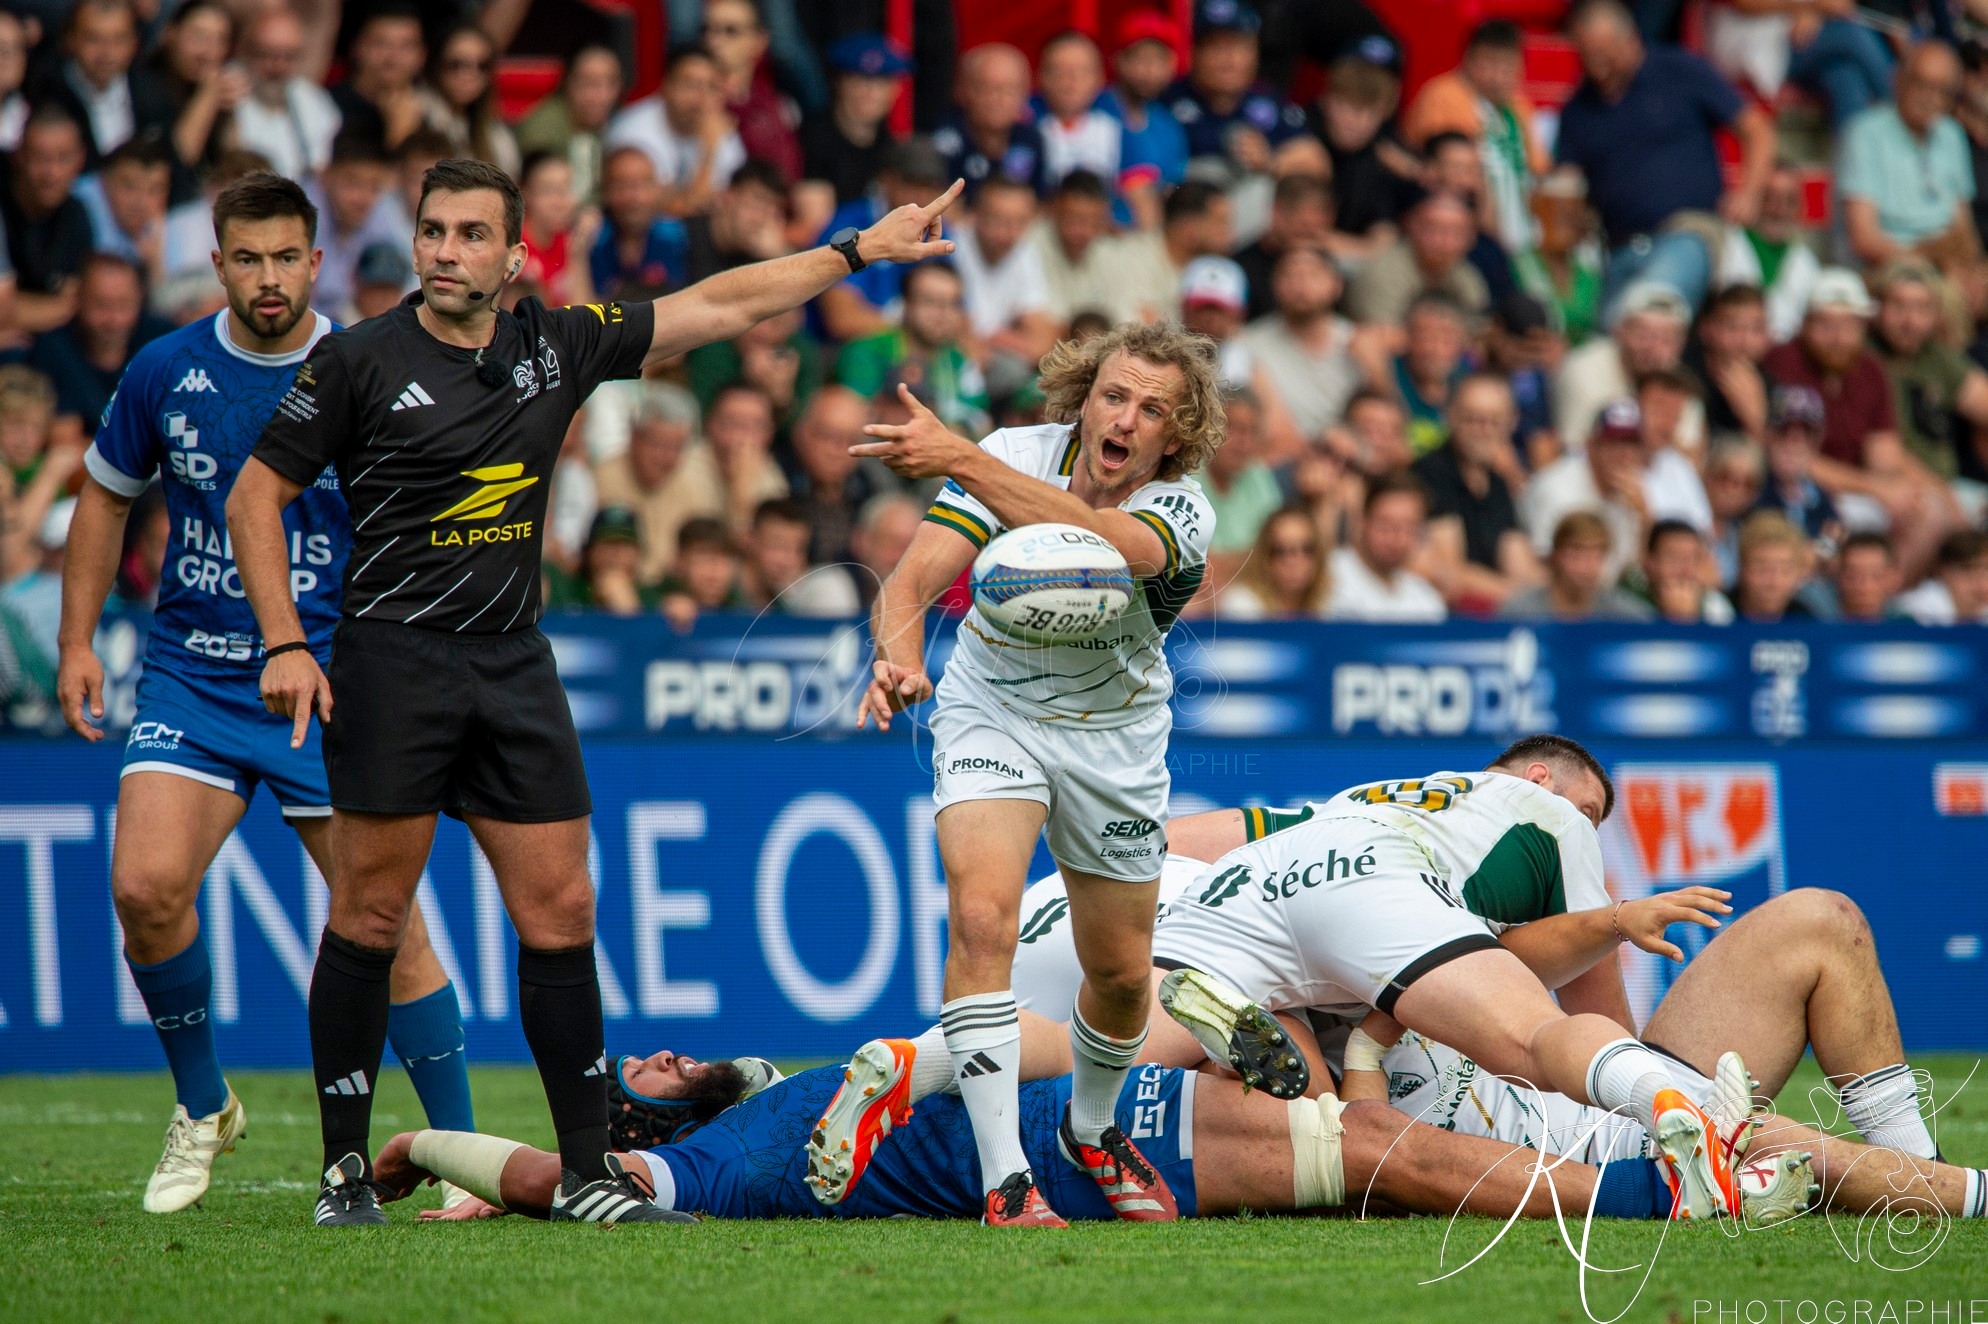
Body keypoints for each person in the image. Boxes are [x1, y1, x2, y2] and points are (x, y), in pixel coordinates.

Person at [224, 157, 961, 1227]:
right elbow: (256, 494)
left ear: (514, 255)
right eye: (434, 230)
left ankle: (584, 1173)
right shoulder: (356, 359)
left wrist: (852, 251)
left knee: (562, 909)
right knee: (372, 911)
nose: (445, 250)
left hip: (513, 665)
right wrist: (284, 641)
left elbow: (713, 304)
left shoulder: (550, 345)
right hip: (393, 663)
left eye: (472, 234)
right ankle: (342, 1170)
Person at [53, 173, 473, 1217]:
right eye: (248, 258)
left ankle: (463, 1160)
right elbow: (106, 501)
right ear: (218, 259)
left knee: (388, 927)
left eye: (288, 257)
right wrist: (75, 642)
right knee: (145, 889)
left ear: (317, 261)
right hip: (194, 674)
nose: (270, 278)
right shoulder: (165, 370)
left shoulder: (364, 366)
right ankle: (204, 1107)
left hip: (331, 687)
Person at [832, 321, 1221, 1227]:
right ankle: (1005, 1178)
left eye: (1152, 408)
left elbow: (1089, 534)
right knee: (979, 918)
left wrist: (961, 456)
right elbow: (907, 585)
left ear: (1175, 434)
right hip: (989, 711)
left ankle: (1092, 1126)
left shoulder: (1182, 509)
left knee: (1123, 976)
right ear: (1085, 399)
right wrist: (899, 661)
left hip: (1113, 740)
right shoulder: (1016, 454)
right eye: (1114, 395)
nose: (1125, 418)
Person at [1554, 0, 1775, 315]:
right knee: (1603, 337)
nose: (1597, 67)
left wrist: (1750, 194)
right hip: (1617, 251)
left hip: (1690, 232)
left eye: (1606, 55)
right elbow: (1567, 182)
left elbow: (1757, 130)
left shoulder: (1679, 69)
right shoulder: (1578, 109)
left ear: (1631, 40)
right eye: (1587, 57)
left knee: (1645, 308)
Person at [1764, 267, 1962, 580]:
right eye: (1825, 324)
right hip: (1801, 492)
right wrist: (1876, 488)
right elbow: (1791, 458)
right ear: (1805, 324)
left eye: (1848, 325)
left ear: (1863, 327)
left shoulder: (1870, 368)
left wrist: (1935, 494)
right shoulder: (1785, 361)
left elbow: (1883, 454)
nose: (1837, 337)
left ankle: (1882, 600)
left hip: (1854, 491)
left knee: (1928, 510)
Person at [1403, 20, 1550, 253]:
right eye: (1488, 64)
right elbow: (1444, 171)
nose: (1497, 77)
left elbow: (1538, 169)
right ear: (1468, 59)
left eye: (1506, 67)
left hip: (1517, 233)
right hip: (1460, 230)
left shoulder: (1520, 107)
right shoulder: (1443, 95)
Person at [1838, 42, 1978, 275]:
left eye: (1943, 90)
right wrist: (1927, 262)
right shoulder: (1866, 132)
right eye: (1923, 84)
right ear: (1899, 79)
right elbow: (1863, 239)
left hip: (1947, 262)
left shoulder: (1952, 134)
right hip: (1891, 266)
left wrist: (1973, 270)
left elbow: (1963, 226)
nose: (1932, 98)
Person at [1412, 372, 1543, 611]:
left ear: (1512, 422)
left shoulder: (1497, 483)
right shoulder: (1429, 474)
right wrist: (1526, 599)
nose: (1483, 430)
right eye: (1472, 419)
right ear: (1450, 416)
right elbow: (1450, 573)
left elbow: (1518, 559)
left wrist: (1552, 597)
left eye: (1494, 421)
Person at [833, 260, 989, 439]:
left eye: (953, 304)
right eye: (930, 302)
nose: (943, 314)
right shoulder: (867, 351)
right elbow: (851, 419)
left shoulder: (959, 361)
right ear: (906, 304)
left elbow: (979, 420)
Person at [1870, 256, 1988, 487]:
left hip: (1952, 484)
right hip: (1891, 486)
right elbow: (1884, 453)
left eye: (1921, 308)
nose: (1910, 320)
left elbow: (1982, 401)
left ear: (1936, 315)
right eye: (1899, 306)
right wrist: (1943, 498)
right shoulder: (1865, 358)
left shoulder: (1935, 355)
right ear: (1877, 307)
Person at [28, 254, 171, 441]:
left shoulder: (165, 341)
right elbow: (65, 441)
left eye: (124, 305)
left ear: (140, 299)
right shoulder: (54, 348)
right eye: (101, 305)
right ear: (77, 299)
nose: (114, 319)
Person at [1163, 0, 1307, 174]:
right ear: (1193, 52)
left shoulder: (1268, 99)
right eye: (1215, 46)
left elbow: (1316, 160)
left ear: (1256, 52)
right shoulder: (1166, 100)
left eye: (1238, 46)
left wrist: (1270, 161)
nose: (1228, 59)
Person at [1237, 247, 1362, 445]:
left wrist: (1377, 369)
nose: (1300, 283)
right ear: (1274, 285)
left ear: (1337, 285)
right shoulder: (1247, 344)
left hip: (1349, 456)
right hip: (1281, 458)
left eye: (1313, 275)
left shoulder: (1358, 341)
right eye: (1289, 275)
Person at [605, 43, 746, 216]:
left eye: (711, 87)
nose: (700, 99)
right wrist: (709, 154)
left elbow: (739, 202)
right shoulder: (633, 133)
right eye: (691, 85)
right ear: (666, 86)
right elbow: (673, 213)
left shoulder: (718, 128)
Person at [35, 0, 173, 167]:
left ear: (134, 43)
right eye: (94, 39)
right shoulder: (45, 92)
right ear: (70, 39)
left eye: (119, 39)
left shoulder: (153, 91)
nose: (107, 52)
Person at [3, 108, 95, 337]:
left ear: (80, 159)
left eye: (63, 158)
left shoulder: (77, 214)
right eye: (40, 158)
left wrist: (16, 317)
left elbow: (75, 303)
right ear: (19, 156)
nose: (51, 173)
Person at [950, 175, 1057, 366]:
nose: (1007, 233)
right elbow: (952, 334)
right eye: (998, 220)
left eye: (1019, 222)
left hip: (995, 359)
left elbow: (1043, 343)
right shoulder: (950, 247)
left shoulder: (1025, 252)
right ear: (974, 215)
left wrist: (999, 340)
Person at [1343, 189, 1489, 328]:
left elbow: (1477, 335)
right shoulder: (1383, 272)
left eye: (1456, 232)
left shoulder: (1467, 276)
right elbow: (1377, 336)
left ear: (1472, 238)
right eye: (1434, 229)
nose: (1444, 241)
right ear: (1411, 226)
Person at [1097, 12, 1189, 229]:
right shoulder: (1097, 108)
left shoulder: (1169, 126)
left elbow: (1170, 190)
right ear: (1119, 60)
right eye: (1140, 58)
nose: (1149, 71)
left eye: (1158, 60)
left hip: (1147, 239)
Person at [231, 6, 341, 182]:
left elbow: (324, 171)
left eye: (288, 57)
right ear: (246, 51)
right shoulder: (227, 91)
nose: (277, 67)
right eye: (267, 55)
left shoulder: (312, 101)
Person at [1715, 164, 1820, 343]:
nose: (1778, 210)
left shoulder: (1805, 260)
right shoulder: (1725, 242)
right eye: (1769, 197)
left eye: (1789, 200)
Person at [700, 0, 801, 185]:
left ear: (759, 41)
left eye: (730, 30)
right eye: (706, 30)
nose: (713, 40)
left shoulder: (780, 104)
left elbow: (789, 177)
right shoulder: (689, 103)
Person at [801, 35, 910, 205]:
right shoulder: (808, 140)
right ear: (839, 82)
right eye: (858, 79)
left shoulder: (892, 149)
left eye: (880, 82)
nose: (869, 92)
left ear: (895, 90)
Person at [1325, 471, 1446, 622]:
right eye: (1386, 526)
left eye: (1409, 528)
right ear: (1362, 522)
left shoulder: (1425, 598)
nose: (1397, 539)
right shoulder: (1326, 576)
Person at [515, 45, 625, 207]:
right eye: (590, 84)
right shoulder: (542, 130)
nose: (602, 95)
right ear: (568, 82)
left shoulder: (611, 124)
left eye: (611, 83)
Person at [933, 43, 1046, 199]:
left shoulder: (1030, 139)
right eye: (986, 88)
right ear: (964, 90)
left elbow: (1039, 202)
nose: (997, 100)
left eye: (1008, 90)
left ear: (1025, 94)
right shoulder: (944, 140)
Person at [1501, 510, 1655, 621]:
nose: (1586, 565)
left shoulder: (1625, 616)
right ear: (1556, 556)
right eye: (1576, 553)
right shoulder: (1519, 611)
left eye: (1596, 555)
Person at [417, 25, 520, 179]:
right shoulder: (416, 110)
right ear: (436, 65)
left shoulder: (495, 131)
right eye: (456, 65)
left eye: (481, 66)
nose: (469, 75)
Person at [743, 496, 859, 615]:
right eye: (777, 546)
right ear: (749, 539)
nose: (788, 560)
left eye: (799, 549)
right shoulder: (725, 592)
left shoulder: (789, 604)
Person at [1033, 31, 1117, 191]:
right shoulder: (1023, 123)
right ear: (1039, 76)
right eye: (1059, 71)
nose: (1071, 80)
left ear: (1100, 78)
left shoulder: (1117, 127)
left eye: (1082, 71)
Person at [1216, 503, 1329, 620]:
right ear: (1264, 558)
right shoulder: (1242, 607)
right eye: (1280, 551)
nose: (1294, 560)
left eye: (1306, 549)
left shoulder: (1330, 606)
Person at [543, 507, 659, 614]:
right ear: (589, 551)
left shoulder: (651, 598)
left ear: (638, 553)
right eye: (607, 543)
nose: (615, 553)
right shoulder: (566, 588)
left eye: (624, 545)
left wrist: (629, 608)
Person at [1632, 518, 1735, 623]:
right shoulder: (1625, 604)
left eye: (1694, 559)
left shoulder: (1716, 606)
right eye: (1674, 558)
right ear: (1648, 562)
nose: (1686, 571)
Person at [1730, 509, 1816, 621]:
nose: (1774, 582)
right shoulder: (1717, 614)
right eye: (1762, 569)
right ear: (1742, 567)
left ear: (1799, 573)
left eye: (1785, 570)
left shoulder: (1806, 621)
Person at [1893, 528, 1988, 624]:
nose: (1981, 581)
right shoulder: (1914, 610)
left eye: (1986, 570)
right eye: (1969, 570)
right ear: (1944, 572)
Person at [1833, 529, 1901, 621]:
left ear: (1894, 579)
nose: (1864, 586)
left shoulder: (1911, 629)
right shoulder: (1818, 628)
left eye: (1876, 576)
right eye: (1852, 576)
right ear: (1838, 577)